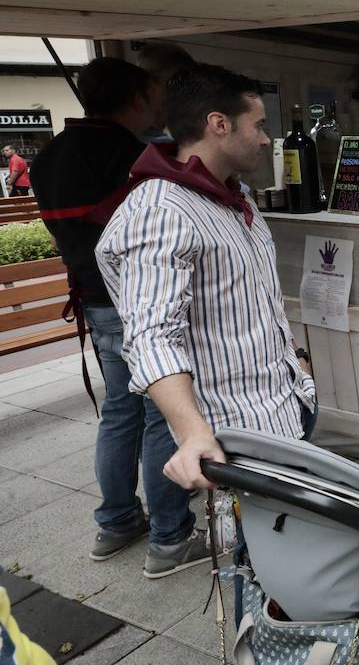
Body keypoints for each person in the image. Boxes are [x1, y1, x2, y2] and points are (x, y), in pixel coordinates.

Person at [96, 64, 316, 499]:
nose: (266, 138)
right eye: (258, 125)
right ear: (219, 124)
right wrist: (194, 434)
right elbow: (151, 337)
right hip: (241, 436)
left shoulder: (235, 195)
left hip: (284, 406)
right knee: (259, 550)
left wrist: (295, 361)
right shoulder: (161, 211)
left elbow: (248, 301)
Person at [30, 58, 205, 578]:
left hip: (93, 300)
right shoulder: (134, 155)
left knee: (119, 413)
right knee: (160, 417)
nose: (158, 105)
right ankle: (170, 539)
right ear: (135, 99)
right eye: (154, 95)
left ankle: (116, 522)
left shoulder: (49, 156)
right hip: (137, 304)